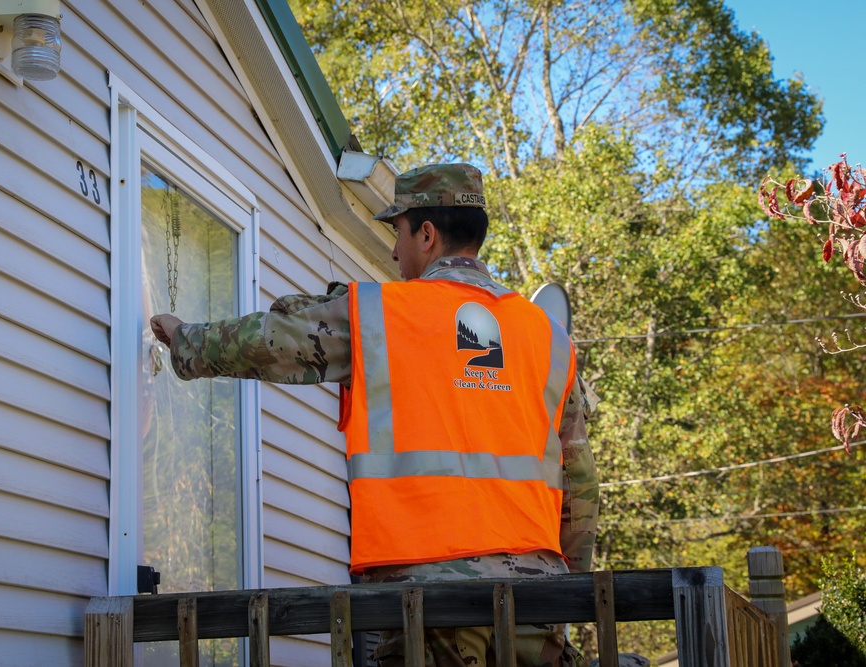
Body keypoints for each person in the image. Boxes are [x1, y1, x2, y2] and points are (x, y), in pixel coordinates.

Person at [150, 163, 608, 667]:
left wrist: (186, 340)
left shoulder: (380, 314)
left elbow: (272, 340)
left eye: (398, 233)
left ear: (427, 234)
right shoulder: (549, 338)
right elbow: (580, 484)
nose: (393, 251)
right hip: (538, 599)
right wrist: (569, 590)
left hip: (431, 599)